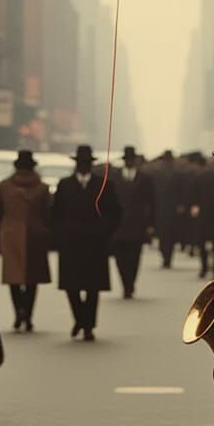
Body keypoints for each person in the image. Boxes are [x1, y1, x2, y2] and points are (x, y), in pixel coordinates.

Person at [51, 144, 121, 341]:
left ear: (90, 165)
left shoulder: (104, 184)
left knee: (92, 288)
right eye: (80, 164)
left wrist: (105, 232)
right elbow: (55, 213)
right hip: (70, 244)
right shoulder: (64, 185)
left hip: (95, 244)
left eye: (85, 164)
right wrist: (59, 235)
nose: (82, 167)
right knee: (71, 287)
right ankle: (79, 319)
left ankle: (88, 325)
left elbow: (115, 212)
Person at [0, 150, 51, 331]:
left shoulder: (5, 186)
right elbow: (48, 214)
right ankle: (28, 314)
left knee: (14, 278)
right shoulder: (42, 188)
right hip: (35, 235)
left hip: (11, 235)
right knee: (32, 279)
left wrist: (3, 227)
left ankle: (18, 312)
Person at [110, 145, 156, 298]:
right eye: (127, 160)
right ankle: (125, 283)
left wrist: (150, 225)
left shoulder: (145, 179)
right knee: (119, 258)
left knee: (135, 257)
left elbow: (152, 203)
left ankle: (130, 284)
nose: (130, 162)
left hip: (137, 224)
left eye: (131, 160)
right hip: (117, 225)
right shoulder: (113, 177)